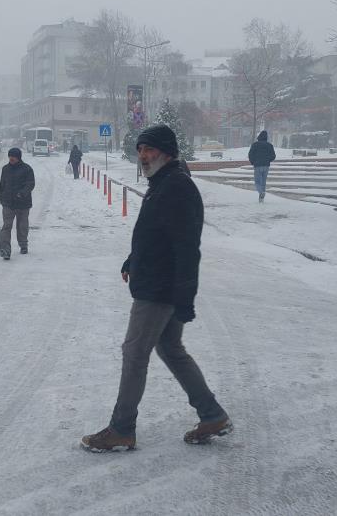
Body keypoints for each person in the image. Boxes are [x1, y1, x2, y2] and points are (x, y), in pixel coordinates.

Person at [81, 124, 231, 453]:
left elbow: (187, 248)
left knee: (134, 354)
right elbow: (155, 236)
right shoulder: (162, 183)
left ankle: (121, 429)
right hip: (156, 281)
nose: (144, 156)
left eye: (150, 150)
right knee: (171, 350)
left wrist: (185, 299)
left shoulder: (177, 187)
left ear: (168, 152)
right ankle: (212, 413)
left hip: (160, 290)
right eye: (140, 150)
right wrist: (132, 259)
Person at [0, 147, 35, 260]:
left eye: (13, 156)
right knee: (6, 226)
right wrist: (1, 197)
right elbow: (2, 184)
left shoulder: (27, 169)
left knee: (22, 225)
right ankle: (5, 249)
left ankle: (23, 244)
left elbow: (30, 184)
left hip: (23, 203)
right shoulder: (5, 169)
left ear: (18, 157)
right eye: (10, 156)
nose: (11, 158)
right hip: (8, 203)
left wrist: (22, 193)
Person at [248, 130, 276, 202]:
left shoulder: (255, 145)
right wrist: (268, 160)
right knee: (263, 182)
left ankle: (261, 193)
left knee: (257, 181)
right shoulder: (269, 145)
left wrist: (253, 162)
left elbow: (250, 154)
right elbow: (273, 156)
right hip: (266, 166)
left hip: (257, 165)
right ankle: (261, 198)